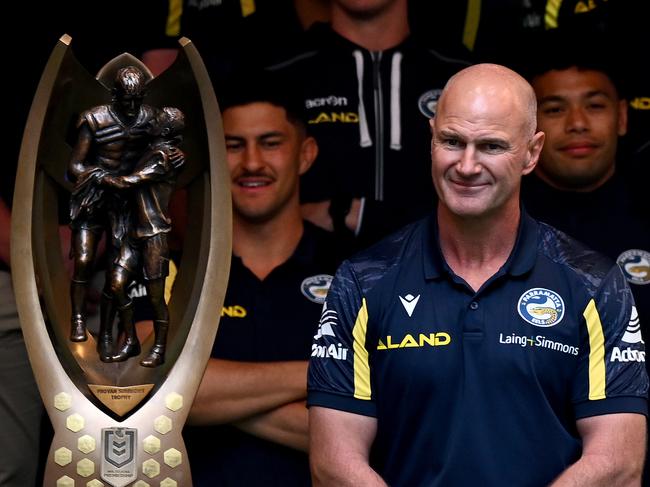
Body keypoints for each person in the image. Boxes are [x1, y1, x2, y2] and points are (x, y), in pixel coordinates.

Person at [307, 64, 648, 486]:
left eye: (490, 146)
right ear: (431, 137)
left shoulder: (595, 283)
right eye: (451, 141)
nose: (466, 166)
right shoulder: (363, 281)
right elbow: (333, 464)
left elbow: (618, 464)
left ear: (531, 152)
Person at [182, 75, 345, 486]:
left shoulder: (357, 271)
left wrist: (203, 397)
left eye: (271, 143)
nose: (252, 162)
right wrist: (319, 373)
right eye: (234, 146)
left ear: (305, 155)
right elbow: (148, 389)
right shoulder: (174, 269)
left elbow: (368, 425)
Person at [268, 0, 470, 248]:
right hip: (311, 279)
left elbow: (491, 202)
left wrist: (352, 213)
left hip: (437, 271)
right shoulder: (277, 74)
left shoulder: (462, 75)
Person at [521, 52, 650, 344]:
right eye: (554, 109)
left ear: (622, 117)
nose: (577, 123)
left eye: (594, 106)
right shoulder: (496, 226)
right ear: (526, 125)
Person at [67, 65, 156, 360]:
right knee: (83, 259)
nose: (131, 107)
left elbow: (163, 148)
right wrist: (103, 177)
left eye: (137, 99)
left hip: (125, 204)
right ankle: (78, 319)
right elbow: (75, 166)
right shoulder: (93, 119)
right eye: (125, 99)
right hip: (94, 198)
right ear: (114, 95)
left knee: (117, 273)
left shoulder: (149, 119)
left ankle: (107, 332)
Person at [98, 106, 185, 367]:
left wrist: (100, 177)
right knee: (115, 285)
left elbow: (131, 181)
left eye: (158, 120)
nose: (153, 120)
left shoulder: (164, 156)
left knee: (156, 298)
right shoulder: (151, 148)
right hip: (134, 234)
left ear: (166, 130)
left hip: (154, 236)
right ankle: (131, 341)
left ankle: (159, 347)